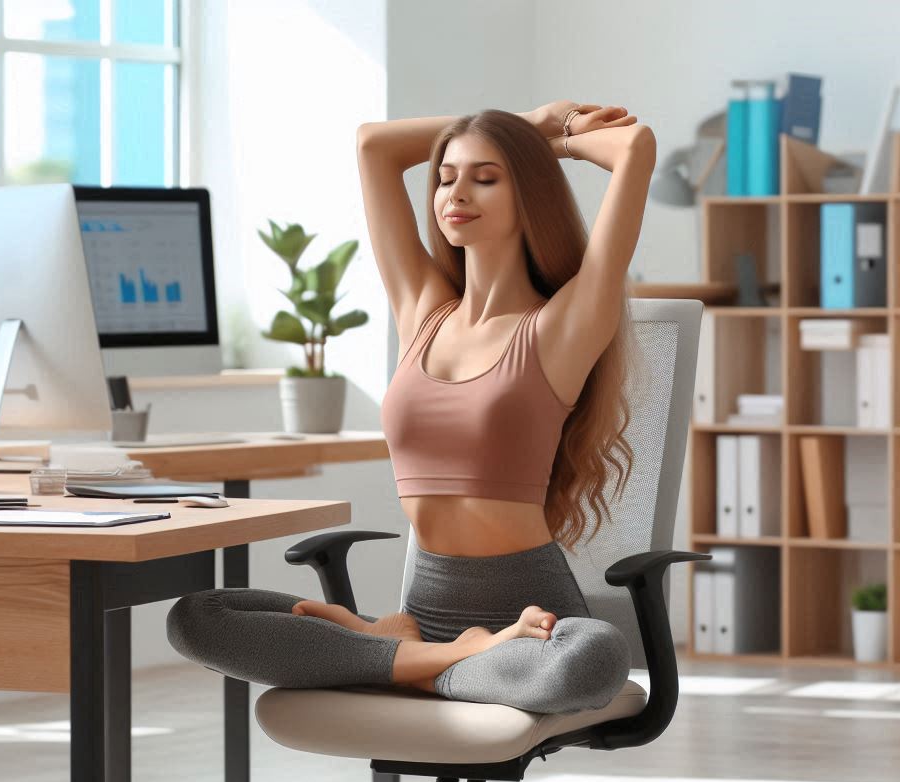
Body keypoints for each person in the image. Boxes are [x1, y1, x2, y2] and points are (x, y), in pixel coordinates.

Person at [167, 100, 656, 715]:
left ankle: (396, 659)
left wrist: (543, 144)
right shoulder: (423, 310)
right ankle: (445, 660)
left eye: (487, 177)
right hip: (428, 601)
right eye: (446, 177)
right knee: (198, 617)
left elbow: (635, 148)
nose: (456, 191)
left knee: (593, 661)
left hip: (530, 615)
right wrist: (526, 124)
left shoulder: (560, 326)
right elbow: (374, 145)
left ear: (530, 192)